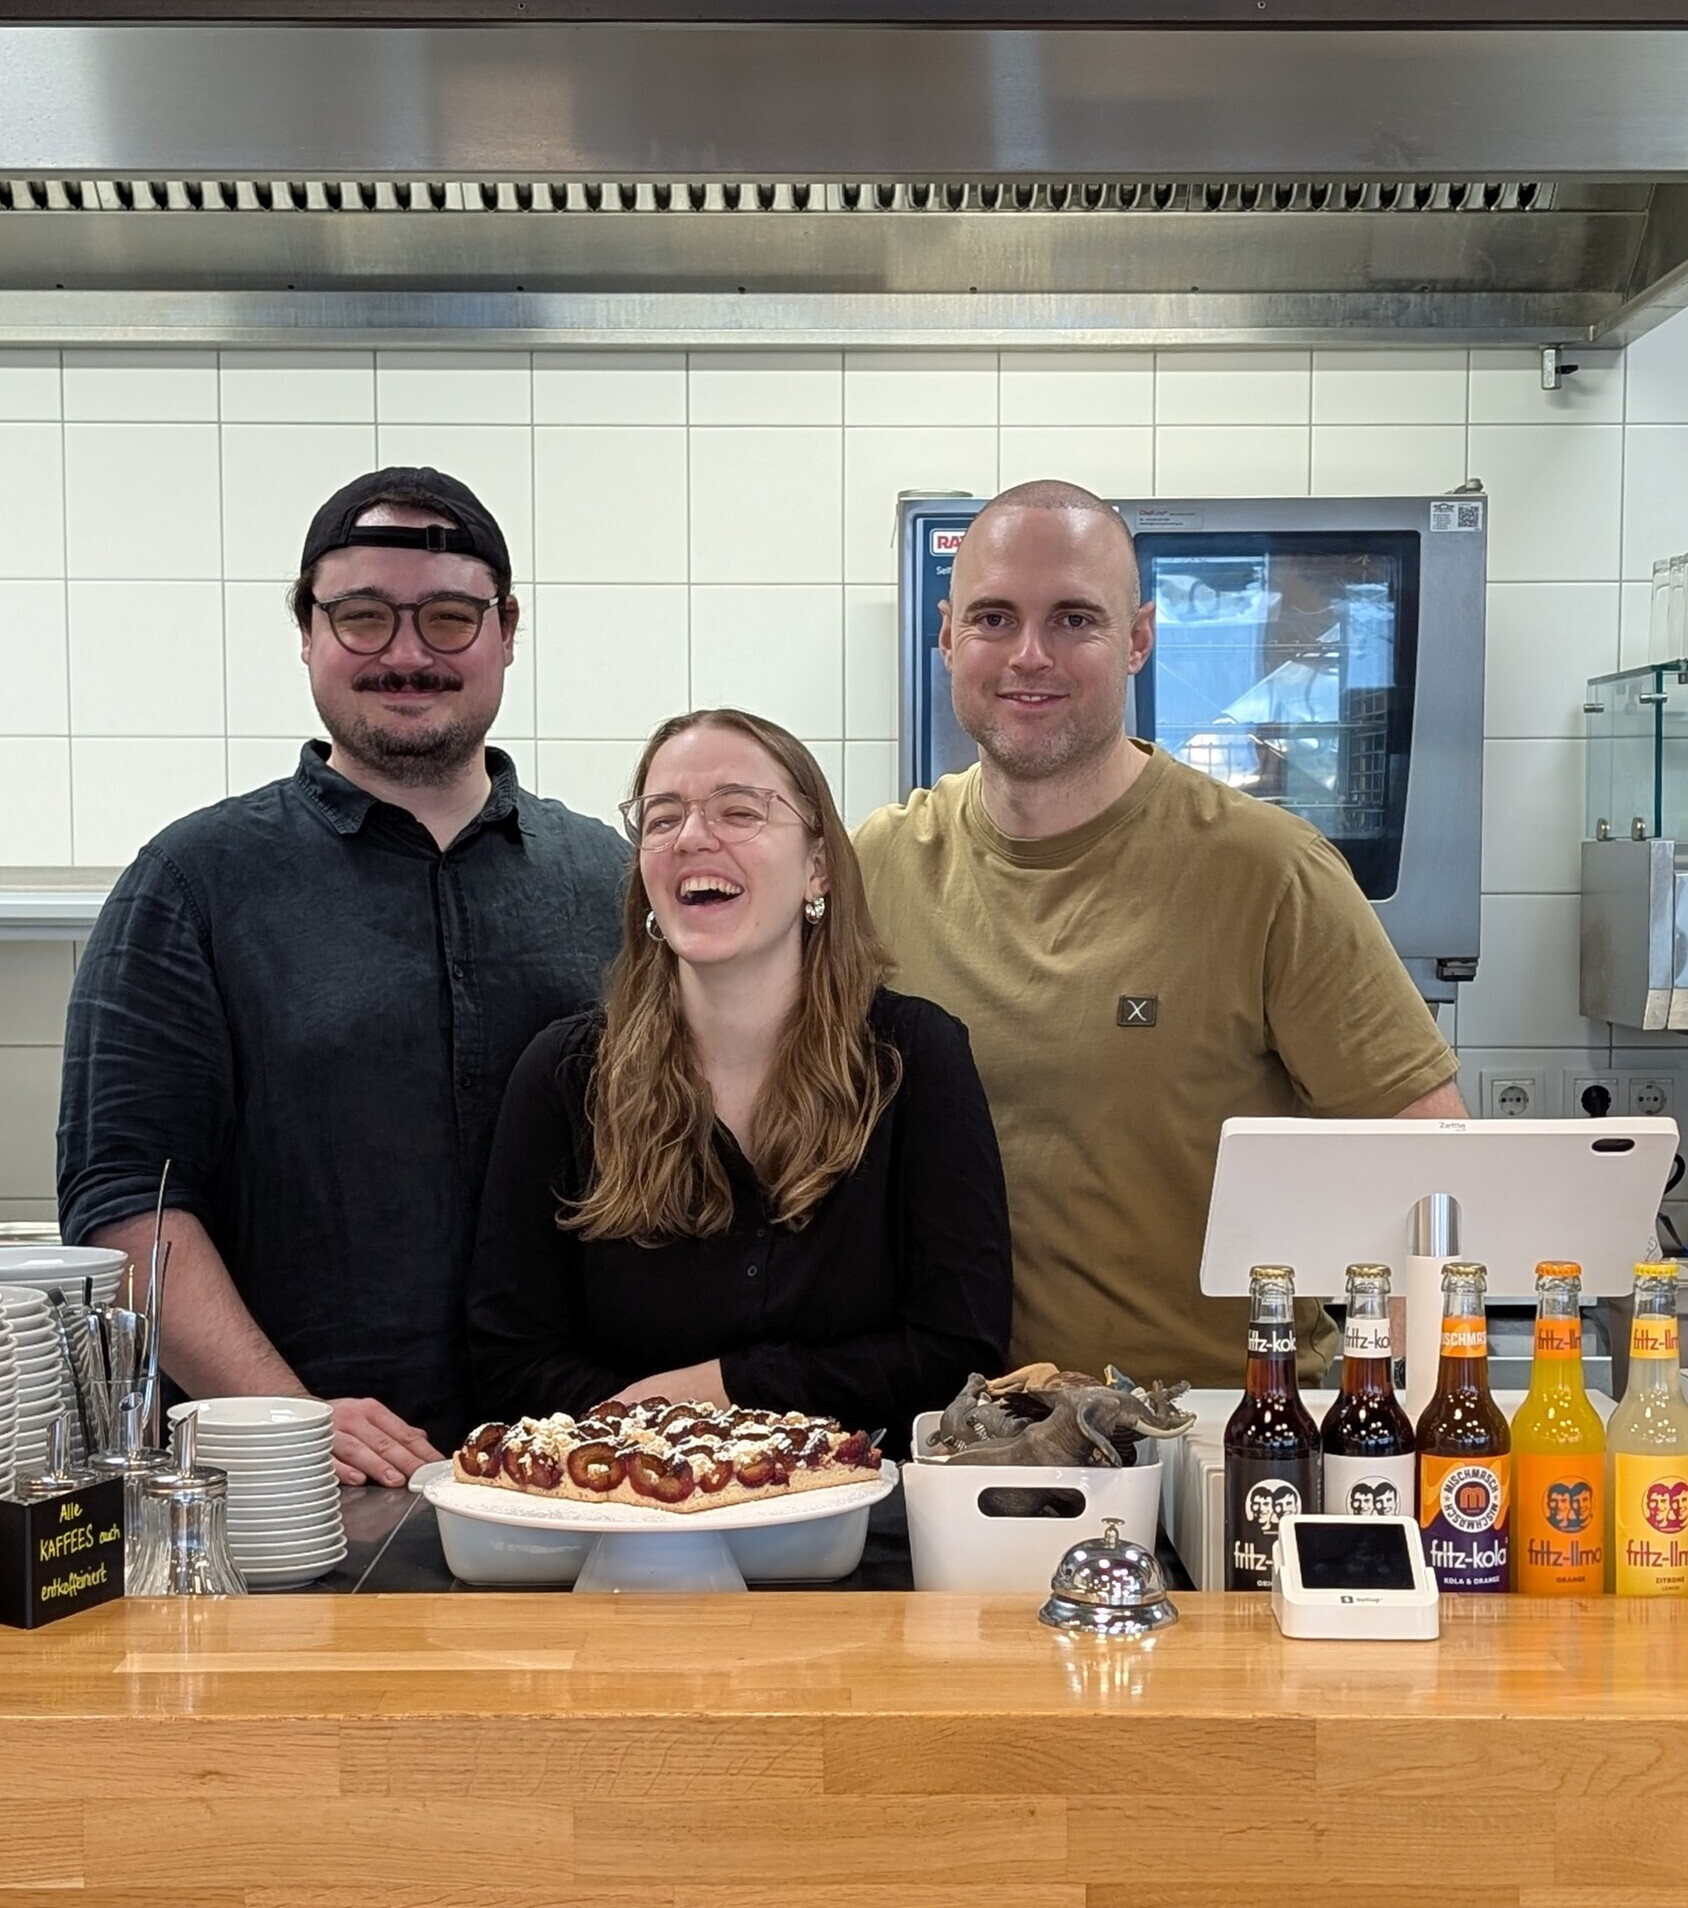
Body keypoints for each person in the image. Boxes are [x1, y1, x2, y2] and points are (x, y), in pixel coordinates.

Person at [57, 466, 627, 1484]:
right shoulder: (191, 885)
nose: (406, 655)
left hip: (586, 1481)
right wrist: (286, 1419)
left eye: (449, 617)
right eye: (363, 617)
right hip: (292, 1493)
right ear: (307, 633)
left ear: (506, 630)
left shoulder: (609, 881)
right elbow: (128, 1199)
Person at [853, 480, 1464, 1390]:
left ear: (1138, 639)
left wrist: (1391, 1409)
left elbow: (1434, 1177)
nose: (1029, 655)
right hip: (962, 1437)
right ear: (947, 636)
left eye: (1074, 620)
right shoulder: (878, 866)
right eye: (993, 618)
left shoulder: (1269, 871)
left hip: (1221, 1432)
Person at [468, 708, 1011, 1453]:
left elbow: (960, 1351)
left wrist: (723, 1390)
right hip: (624, 1506)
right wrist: (666, 1444)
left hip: (865, 1513)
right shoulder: (565, 1076)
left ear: (818, 866)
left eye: (739, 811)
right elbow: (508, 1360)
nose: (692, 836)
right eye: (663, 818)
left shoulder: (915, 1059)